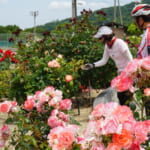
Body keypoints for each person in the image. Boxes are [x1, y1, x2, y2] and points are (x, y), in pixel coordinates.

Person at [82, 26, 133, 105]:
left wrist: (132, 73)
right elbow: (104, 60)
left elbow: (130, 59)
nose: (100, 40)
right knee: (121, 97)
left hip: (129, 73)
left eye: (100, 38)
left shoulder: (119, 43)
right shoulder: (108, 46)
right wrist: (92, 65)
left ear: (107, 36)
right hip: (120, 73)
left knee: (126, 97)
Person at [131, 4, 150, 116]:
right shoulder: (146, 34)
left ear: (141, 19)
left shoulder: (148, 34)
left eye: (136, 19)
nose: (135, 22)